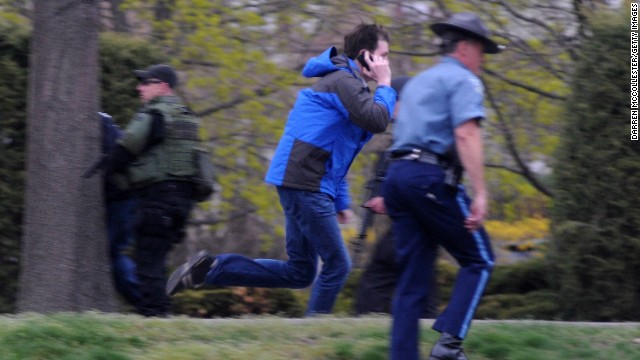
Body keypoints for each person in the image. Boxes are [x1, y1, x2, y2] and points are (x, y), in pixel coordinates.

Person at [165, 23, 395, 315]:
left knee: (300, 272)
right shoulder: (343, 81)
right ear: (366, 55)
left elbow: (336, 146)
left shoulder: (346, 83)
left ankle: (210, 269)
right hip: (306, 182)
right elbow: (377, 120)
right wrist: (385, 85)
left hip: (303, 180)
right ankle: (314, 335)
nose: (387, 63)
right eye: (384, 55)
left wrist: (340, 200)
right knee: (338, 265)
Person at [382, 13, 502, 360]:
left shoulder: (419, 81)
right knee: (479, 259)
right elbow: (466, 133)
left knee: (410, 284)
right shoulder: (464, 80)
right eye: (483, 52)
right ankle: (449, 344)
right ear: (466, 47)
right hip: (429, 179)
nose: (483, 61)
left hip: (397, 177)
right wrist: (480, 192)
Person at [104, 64, 201, 317]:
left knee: (147, 263)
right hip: (181, 201)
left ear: (163, 87)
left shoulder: (157, 114)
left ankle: (155, 317)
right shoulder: (186, 116)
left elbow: (127, 146)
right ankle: (159, 313)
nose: (140, 87)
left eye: (147, 83)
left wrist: (102, 171)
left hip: (158, 199)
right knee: (155, 261)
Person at [354, 76, 437, 318]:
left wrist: (389, 199)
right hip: (413, 223)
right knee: (418, 282)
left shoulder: (418, 136)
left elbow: (421, 180)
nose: (387, 107)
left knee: (377, 280)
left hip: (417, 223)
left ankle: (367, 326)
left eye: (393, 100)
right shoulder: (410, 133)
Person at [99, 112, 141, 308]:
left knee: (112, 253)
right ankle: (146, 300)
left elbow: (113, 163)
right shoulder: (105, 123)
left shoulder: (101, 124)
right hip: (123, 199)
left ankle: (145, 300)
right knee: (113, 253)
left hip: (121, 200)